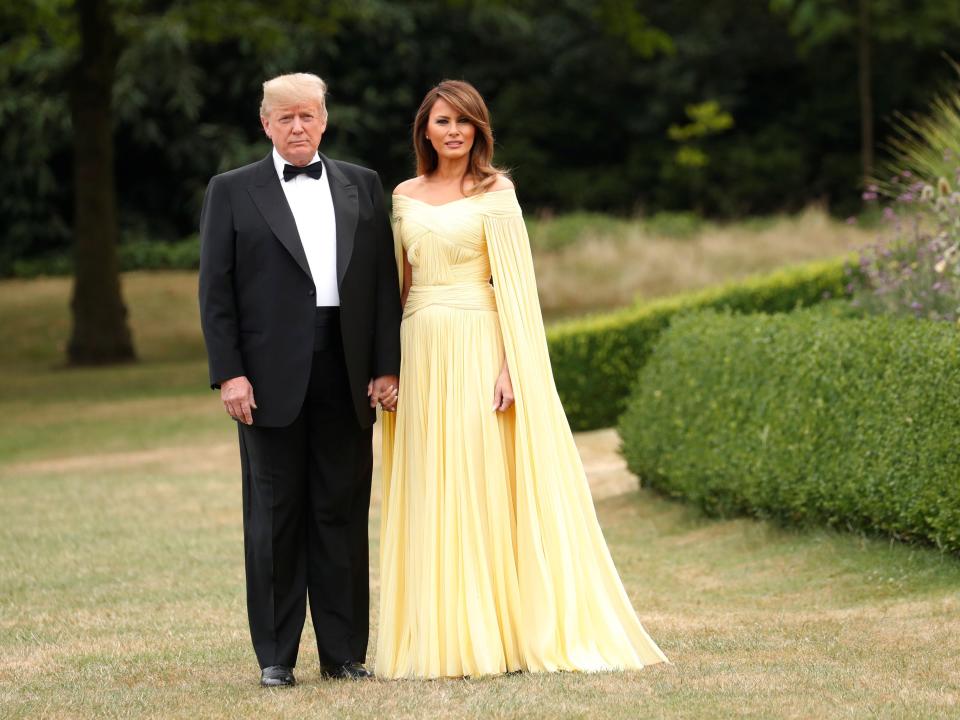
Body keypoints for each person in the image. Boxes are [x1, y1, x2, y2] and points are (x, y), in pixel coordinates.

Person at [376, 80, 669, 679]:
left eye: (464, 121)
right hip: (420, 347)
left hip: (480, 344)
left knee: (479, 480)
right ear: (424, 131)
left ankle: (496, 633)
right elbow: (396, 287)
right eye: (441, 121)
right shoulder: (403, 196)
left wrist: (512, 366)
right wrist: (386, 366)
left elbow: (516, 288)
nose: (452, 131)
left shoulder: (496, 192)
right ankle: (439, 633)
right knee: (432, 481)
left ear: (479, 130)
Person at [198, 73, 401, 687]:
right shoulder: (231, 190)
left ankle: (343, 655)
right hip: (264, 379)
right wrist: (229, 373)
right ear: (265, 123)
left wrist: (386, 365)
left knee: (341, 512)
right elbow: (216, 293)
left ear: (324, 120)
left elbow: (382, 287)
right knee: (275, 517)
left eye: (307, 116)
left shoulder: (362, 185)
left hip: (346, 369)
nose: (297, 127)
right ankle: (276, 659)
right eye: (284, 117)